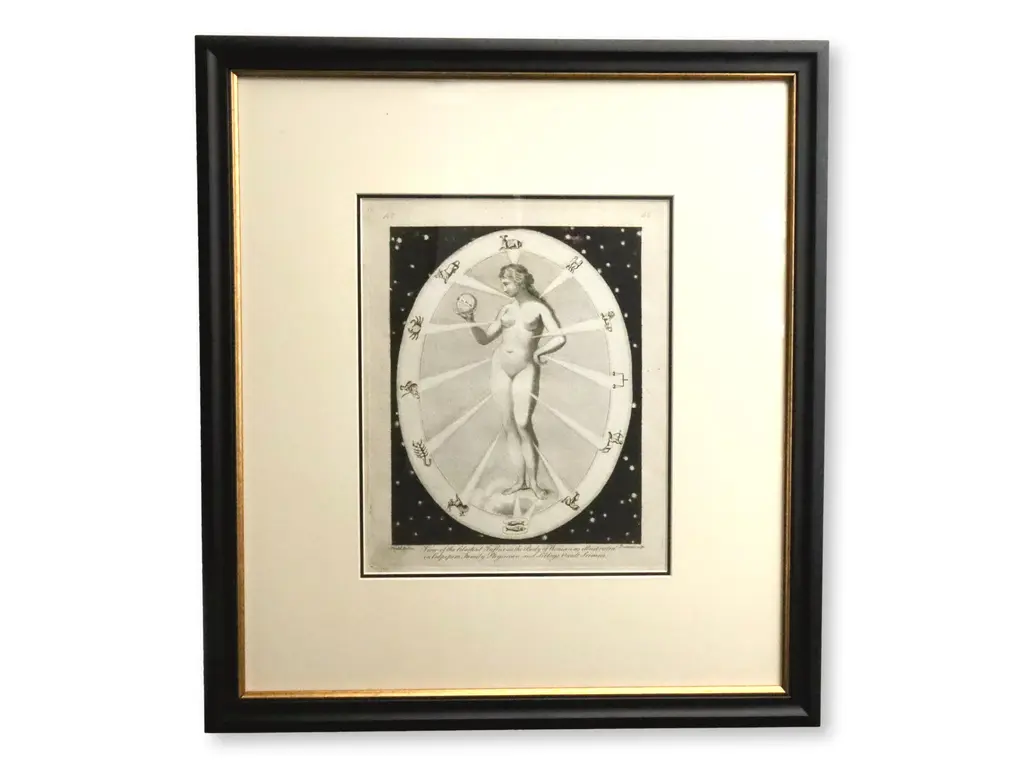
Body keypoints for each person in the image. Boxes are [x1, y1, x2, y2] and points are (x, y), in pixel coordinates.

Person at [455, 263, 566, 498]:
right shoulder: (505, 309)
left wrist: (539, 351)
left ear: (519, 281)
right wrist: (470, 320)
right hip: (500, 368)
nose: (503, 288)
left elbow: (559, 337)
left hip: (525, 368)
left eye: (506, 283)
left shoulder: (538, 308)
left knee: (523, 423)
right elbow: (484, 339)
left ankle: (533, 483)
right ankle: (519, 481)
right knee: (508, 424)